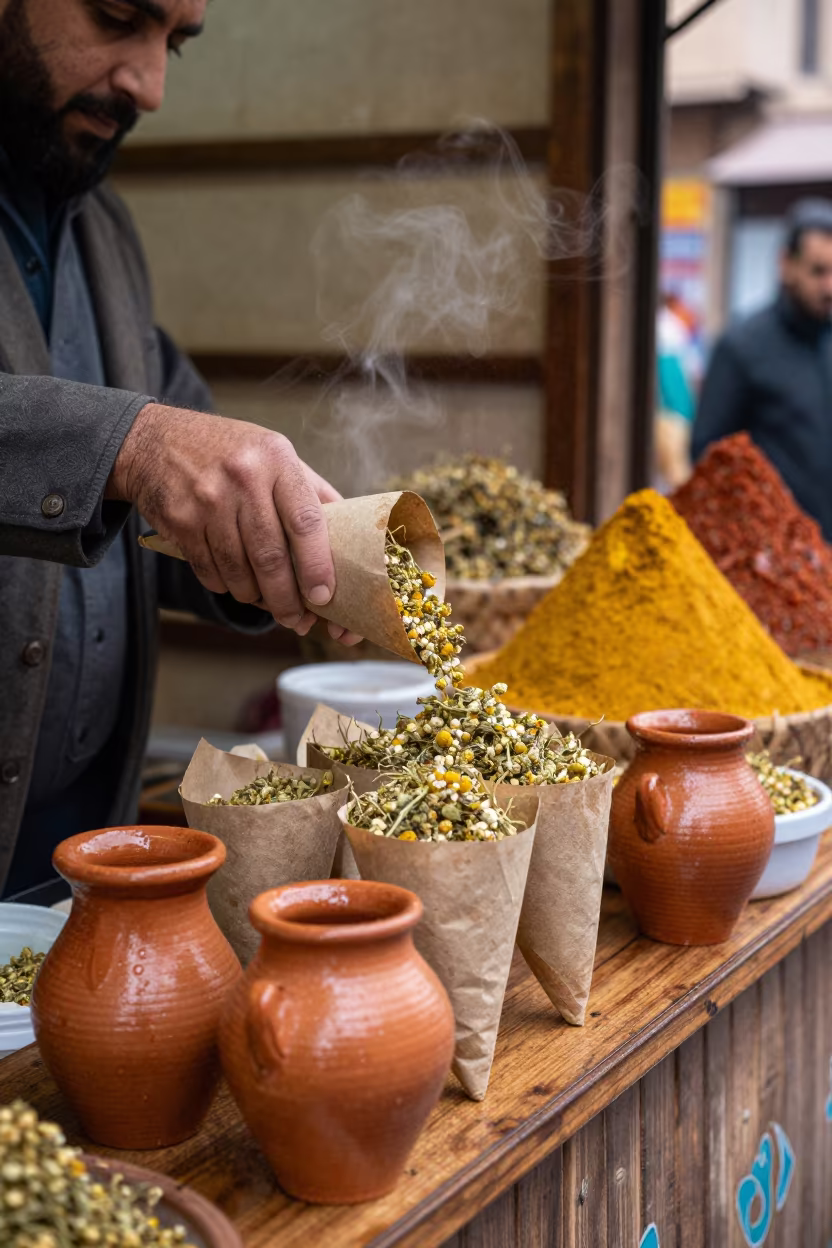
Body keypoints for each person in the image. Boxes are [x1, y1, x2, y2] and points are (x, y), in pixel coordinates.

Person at [0, 0, 361, 898]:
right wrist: (137, 444)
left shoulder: (101, 228)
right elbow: (139, 453)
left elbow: (162, 506)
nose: (150, 85)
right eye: (119, 17)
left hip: (74, 870)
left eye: (175, 43)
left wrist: (296, 544)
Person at [693, 197, 832, 539]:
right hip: (776, 563)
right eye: (818, 271)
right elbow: (710, 458)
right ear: (786, 264)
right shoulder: (742, 348)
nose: (829, 287)